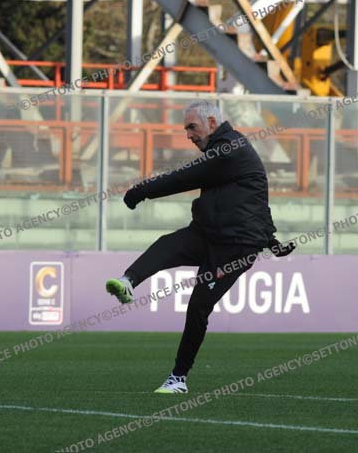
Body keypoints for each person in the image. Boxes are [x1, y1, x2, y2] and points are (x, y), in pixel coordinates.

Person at [105, 100, 295, 394]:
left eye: (192, 127)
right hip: (208, 233)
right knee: (167, 244)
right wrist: (272, 240)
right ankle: (128, 281)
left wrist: (142, 191)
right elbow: (255, 198)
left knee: (198, 307)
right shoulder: (225, 150)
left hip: (234, 248)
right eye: (186, 129)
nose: (189, 135)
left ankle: (178, 378)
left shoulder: (229, 148)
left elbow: (185, 177)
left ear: (212, 123)